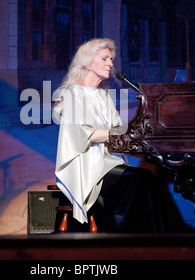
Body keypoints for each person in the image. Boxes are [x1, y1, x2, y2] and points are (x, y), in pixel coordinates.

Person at [53, 38, 165, 233]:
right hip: (85, 167)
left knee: (148, 178)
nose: (111, 64)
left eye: (111, 59)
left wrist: (140, 132)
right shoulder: (74, 93)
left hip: (106, 162)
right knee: (139, 179)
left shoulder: (103, 94)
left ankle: (153, 242)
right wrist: (127, 130)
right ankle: (132, 238)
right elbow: (85, 136)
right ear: (87, 62)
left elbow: (117, 131)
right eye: (104, 59)